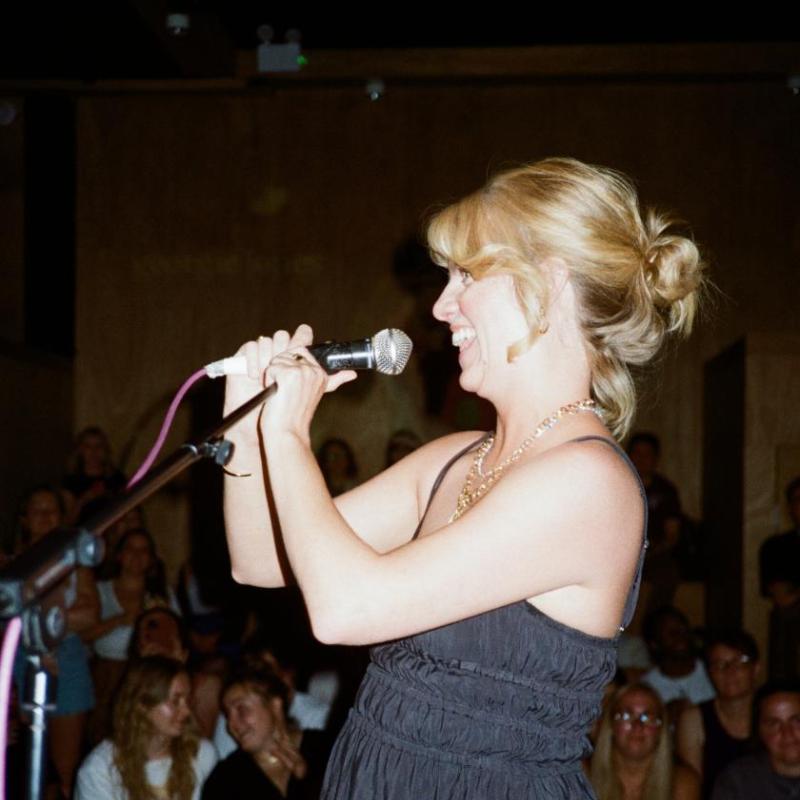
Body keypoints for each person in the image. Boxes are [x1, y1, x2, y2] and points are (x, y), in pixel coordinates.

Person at [223, 157, 704, 797]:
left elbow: (345, 609)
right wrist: (245, 421)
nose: (442, 306)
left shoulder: (590, 482)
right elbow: (258, 559)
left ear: (549, 283)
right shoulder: (452, 458)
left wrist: (287, 435)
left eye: (467, 275)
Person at [13, 485, 98, 799]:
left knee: (66, 768)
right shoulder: (9, 563)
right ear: (25, 519)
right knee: (24, 759)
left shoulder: (75, 562)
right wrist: (58, 618)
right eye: (38, 509)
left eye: (52, 510)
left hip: (68, 659)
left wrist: (34, 618)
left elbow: (90, 614)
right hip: (18, 659)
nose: (45, 515)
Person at [75, 656, 217, 800]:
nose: (186, 711)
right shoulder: (100, 770)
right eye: (175, 701)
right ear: (142, 705)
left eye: (188, 700)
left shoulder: (201, 754)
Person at [202, 665, 327, 800]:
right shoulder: (225, 778)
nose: (231, 725)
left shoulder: (324, 749)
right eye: (227, 715)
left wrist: (306, 778)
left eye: (242, 709)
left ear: (275, 706)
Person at [676, 630, 759, 797]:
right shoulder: (693, 720)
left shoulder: (775, 715)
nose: (729, 671)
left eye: (739, 662)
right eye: (719, 664)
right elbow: (692, 785)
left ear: (756, 668)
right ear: (709, 672)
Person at [590, 682, 699, 799]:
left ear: (661, 730)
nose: (637, 726)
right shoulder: (584, 779)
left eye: (647, 718)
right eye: (626, 716)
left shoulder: (682, 785)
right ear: (610, 725)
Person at [710, 682, 800, 799]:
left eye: (797, 721)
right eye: (773, 724)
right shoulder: (737, 781)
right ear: (759, 731)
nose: (787, 733)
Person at [627, 432, 684, 614]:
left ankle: (654, 621)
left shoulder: (666, 490)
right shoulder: (619, 484)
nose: (642, 459)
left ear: (656, 458)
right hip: (622, 553)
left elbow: (672, 534)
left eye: (647, 454)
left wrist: (651, 551)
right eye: (637, 453)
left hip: (655, 553)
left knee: (668, 575)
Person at [759, 476, 800, 682]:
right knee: (786, 614)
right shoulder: (775, 547)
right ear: (790, 508)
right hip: (791, 619)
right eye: (798, 499)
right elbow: (782, 595)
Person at [642, 606, 716, 717]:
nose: (680, 635)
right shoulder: (647, 688)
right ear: (654, 644)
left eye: (683, 629)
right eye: (671, 632)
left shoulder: (714, 672)